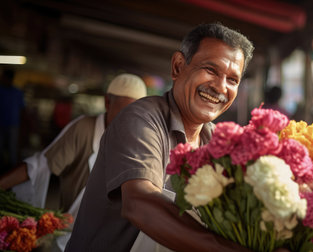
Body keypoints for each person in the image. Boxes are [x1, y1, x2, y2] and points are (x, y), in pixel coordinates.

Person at [65, 23, 258, 252]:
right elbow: (139, 203)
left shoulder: (217, 142)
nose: (220, 87)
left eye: (232, 80)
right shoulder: (142, 119)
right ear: (177, 66)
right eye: (210, 70)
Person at [0, 73, 147, 252]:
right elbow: (41, 164)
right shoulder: (84, 129)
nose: (127, 119)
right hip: (71, 231)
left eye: (134, 113)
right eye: (123, 111)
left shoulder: (140, 142)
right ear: (107, 102)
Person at [0, 69, 25, 172]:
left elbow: (22, 110)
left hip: (13, 125)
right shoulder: (0, 90)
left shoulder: (17, 92)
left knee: (12, 150)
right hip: (1, 125)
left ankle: (11, 172)